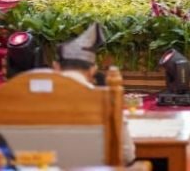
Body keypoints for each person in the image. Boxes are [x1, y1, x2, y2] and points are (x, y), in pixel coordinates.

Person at [55, 24, 135, 166]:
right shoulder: (106, 100)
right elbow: (126, 155)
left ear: (56, 67)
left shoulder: (26, 99)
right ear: (93, 70)